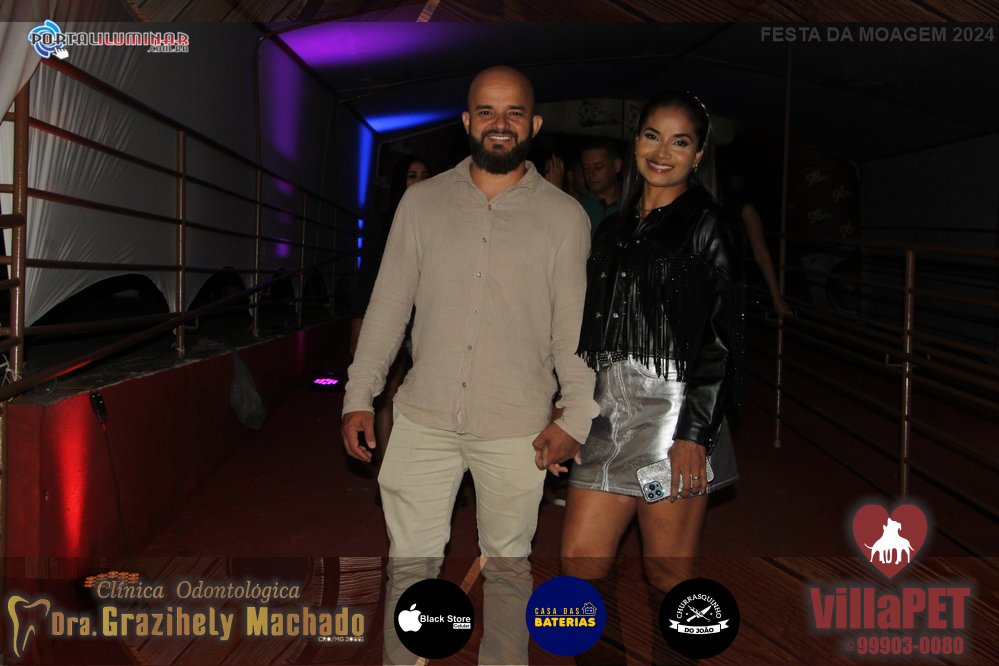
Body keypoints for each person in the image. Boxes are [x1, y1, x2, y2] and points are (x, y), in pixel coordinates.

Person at [341, 65, 597, 666]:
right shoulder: (421, 203)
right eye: (486, 111)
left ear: (534, 124)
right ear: (466, 121)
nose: (499, 124)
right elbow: (387, 309)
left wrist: (576, 417)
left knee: (507, 570)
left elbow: (574, 332)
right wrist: (358, 395)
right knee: (410, 569)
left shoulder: (565, 217)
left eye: (513, 113)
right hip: (423, 418)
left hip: (517, 426)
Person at [560, 90, 743, 664]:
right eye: (652, 136)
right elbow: (588, 329)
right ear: (635, 142)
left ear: (698, 154)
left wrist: (694, 436)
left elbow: (720, 341)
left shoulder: (708, 225)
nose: (662, 152)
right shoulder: (613, 229)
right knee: (580, 562)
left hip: (672, 420)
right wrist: (570, 408)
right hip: (605, 413)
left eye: (679, 142)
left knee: (669, 574)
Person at [350, 155, 432, 460]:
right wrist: (359, 322)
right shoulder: (383, 223)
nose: (419, 181)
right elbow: (368, 277)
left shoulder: (442, 220)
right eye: (412, 175)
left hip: (429, 320)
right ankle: (387, 464)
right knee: (389, 391)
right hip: (395, 318)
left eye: (424, 174)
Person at [578, 137, 623, 235]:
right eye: (586, 168)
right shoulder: (580, 208)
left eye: (598, 167)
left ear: (617, 166)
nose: (591, 174)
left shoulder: (633, 204)